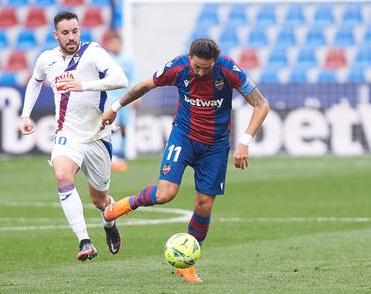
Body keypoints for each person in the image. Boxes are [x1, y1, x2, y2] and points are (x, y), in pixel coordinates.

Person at [101, 38, 269, 282]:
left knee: (204, 205)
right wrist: (116, 106)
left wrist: (244, 141)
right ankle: (123, 206)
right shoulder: (178, 67)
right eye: (197, 67)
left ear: (215, 61)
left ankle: (186, 263)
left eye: (206, 68)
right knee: (165, 194)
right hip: (184, 137)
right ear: (190, 57)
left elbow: (261, 104)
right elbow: (145, 85)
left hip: (215, 145)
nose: (200, 72)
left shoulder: (228, 70)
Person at [19, 11, 128, 261]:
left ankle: (109, 224)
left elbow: (120, 79)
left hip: (97, 136)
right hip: (67, 135)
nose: (71, 37)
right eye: (65, 33)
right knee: (62, 176)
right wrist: (26, 114)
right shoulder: (46, 59)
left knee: (100, 199)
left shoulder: (93, 53)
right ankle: (85, 242)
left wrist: (85, 85)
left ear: (80, 30)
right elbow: (35, 82)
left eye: (75, 31)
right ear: (55, 35)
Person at [104, 30, 138, 172]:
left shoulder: (128, 59)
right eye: (112, 43)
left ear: (121, 44)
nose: (114, 46)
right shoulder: (106, 59)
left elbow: (134, 78)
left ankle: (121, 156)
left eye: (116, 43)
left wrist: (137, 96)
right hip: (110, 98)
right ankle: (114, 157)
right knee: (112, 127)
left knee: (123, 128)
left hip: (125, 98)